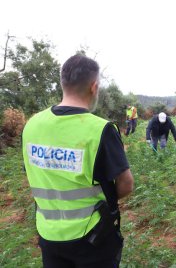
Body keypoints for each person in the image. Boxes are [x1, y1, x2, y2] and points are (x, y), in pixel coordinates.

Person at [22, 54, 134, 267]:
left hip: (48, 234)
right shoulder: (100, 129)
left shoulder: (32, 125)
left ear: (63, 83)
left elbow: (33, 171)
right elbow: (126, 184)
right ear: (94, 87)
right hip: (93, 237)